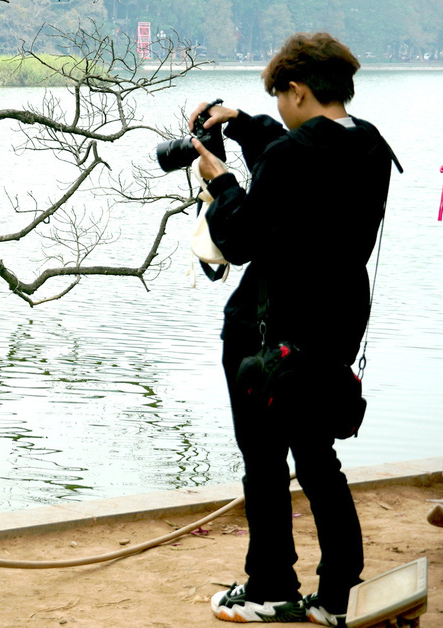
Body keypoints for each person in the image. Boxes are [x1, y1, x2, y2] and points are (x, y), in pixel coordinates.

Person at [189, 33, 397, 626]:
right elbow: (299, 161)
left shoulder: (290, 158)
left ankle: (270, 585)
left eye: (281, 98)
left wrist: (221, 183)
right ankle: (337, 596)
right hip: (334, 325)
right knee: (316, 456)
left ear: (298, 90)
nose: (279, 109)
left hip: (268, 329)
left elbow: (240, 239)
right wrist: (242, 122)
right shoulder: (372, 146)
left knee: (262, 457)